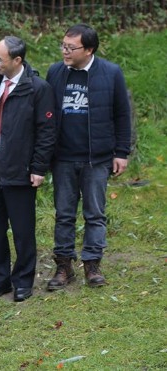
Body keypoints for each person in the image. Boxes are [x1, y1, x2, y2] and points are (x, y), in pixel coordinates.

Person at [46, 24, 132, 290]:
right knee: (64, 214)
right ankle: (63, 267)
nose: (65, 51)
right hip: (63, 158)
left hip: (97, 159)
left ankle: (92, 266)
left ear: (89, 49)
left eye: (71, 48)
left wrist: (121, 152)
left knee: (95, 214)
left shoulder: (111, 73)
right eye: (63, 45)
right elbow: (47, 114)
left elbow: (122, 114)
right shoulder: (56, 72)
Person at [0, 36, 56, 302]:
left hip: (20, 165)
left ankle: (23, 281)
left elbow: (46, 131)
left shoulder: (37, 88)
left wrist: (39, 167)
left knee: (22, 228)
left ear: (17, 60)